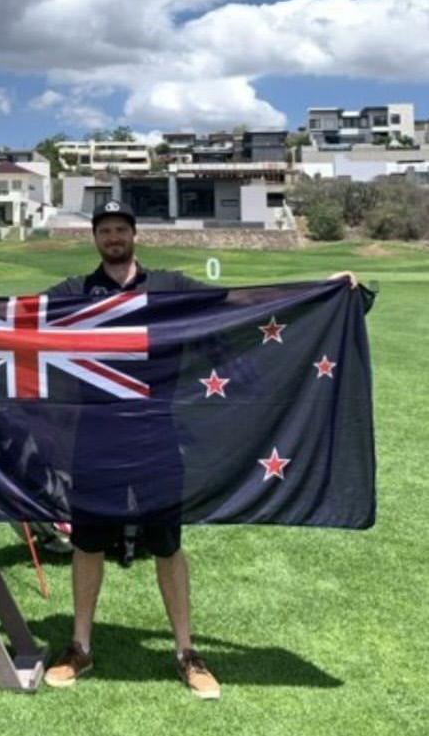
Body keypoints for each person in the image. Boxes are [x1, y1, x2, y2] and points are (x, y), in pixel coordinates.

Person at [41, 200, 356, 698]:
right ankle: (80, 646)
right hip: (97, 437)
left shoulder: (170, 287)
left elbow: (237, 303)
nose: (114, 237)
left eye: (121, 228)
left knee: (167, 544)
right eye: (105, 230)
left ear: (134, 235)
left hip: (156, 436)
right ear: (95, 238)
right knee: (88, 543)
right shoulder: (74, 293)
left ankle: (186, 652)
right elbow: (9, 318)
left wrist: (323, 288)